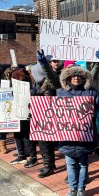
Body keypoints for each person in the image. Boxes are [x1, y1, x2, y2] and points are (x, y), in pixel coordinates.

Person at [58, 65, 99, 196]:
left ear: (84, 78)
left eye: (79, 76)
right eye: (73, 76)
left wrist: (94, 110)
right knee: (70, 164)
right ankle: (72, 189)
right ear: (68, 78)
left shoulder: (91, 92)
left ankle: (81, 189)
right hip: (67, 137)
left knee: (83, 164)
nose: (76, 78)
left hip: (84, 136)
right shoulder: (61, 92)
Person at [36, 50, 64, 178]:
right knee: (43, 139)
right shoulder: (46, 77)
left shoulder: (64, 74)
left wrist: (44, 65)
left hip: (61, 110)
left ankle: (73, 171)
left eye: (57, 60)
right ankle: (48, 165)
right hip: (47, 110)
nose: (56, 62)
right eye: (53, 60)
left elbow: (53, 80)